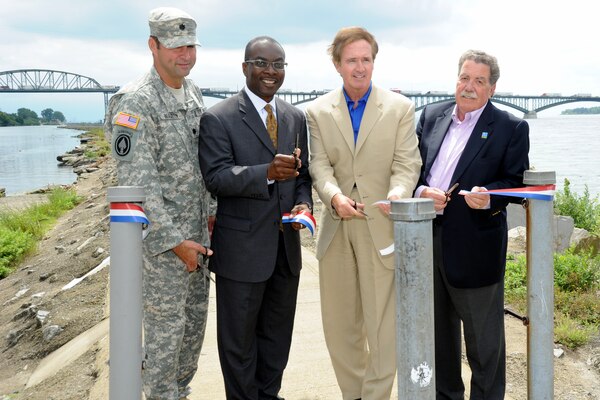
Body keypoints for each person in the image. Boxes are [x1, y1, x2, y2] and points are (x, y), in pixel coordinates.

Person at [305, 27, 422, 400]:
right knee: (341, 327)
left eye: (366, 59)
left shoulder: (400, 108)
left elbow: (407, 164)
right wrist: (334, 196)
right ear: (337, 64)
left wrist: (398, 194)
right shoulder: (318, 111)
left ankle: (375, 396)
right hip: (337, 226)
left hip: (382, 224)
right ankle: (352, 395)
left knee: (384, 328)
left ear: (374, 61)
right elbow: (319, 166)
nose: (360, 67)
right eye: (352, 60)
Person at [104, 7, 214, 400]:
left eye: (190, 46)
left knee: (189, 347)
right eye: (174, 47)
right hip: (162, 250)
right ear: (153, 46)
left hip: (199, 243)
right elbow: (137, 183)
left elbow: (206, 162)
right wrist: (175, 242)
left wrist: (212, 216)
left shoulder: (194, 93)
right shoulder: (135, 103)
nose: (184, 55)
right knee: (163, 353)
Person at [198, 36, 312, 400]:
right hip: (242, 252)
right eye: (262, 63)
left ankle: (269, 394)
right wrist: (265, 172)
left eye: (278, 64)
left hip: (285, 251)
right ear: (245, 67)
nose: (270, 72)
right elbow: (215, 177)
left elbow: (303, 175)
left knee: (277, 337)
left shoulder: (295, 116)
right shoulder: (219, 117)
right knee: (239, 343)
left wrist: (302, 204)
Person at [415, 50, 530, 399]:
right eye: (465, 78)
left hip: (475, 248)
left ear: (492, 89)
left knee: (484, 347)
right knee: (439, 342)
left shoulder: (511, 127)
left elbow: (516, 183)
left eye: (479, 81)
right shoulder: (431, 116)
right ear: (456, 80)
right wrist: (420, 191)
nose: (469, 87)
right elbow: (410, 170)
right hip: (426, 240)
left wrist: (489, 195)